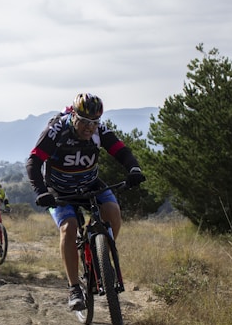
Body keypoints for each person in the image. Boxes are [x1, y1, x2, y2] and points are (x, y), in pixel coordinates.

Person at [25, 93, 146, 311]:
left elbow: (121, 151)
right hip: (59, 190)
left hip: (90, 184)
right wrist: (41, 191)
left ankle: (100, 256)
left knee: (113, 211)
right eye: (84, 122)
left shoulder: (100, 130)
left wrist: (134, 169)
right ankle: (74, 289)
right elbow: (34, 161)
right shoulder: (57, 130)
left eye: (94, 123)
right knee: (68, 228)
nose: (89, 128)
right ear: (73, 116)